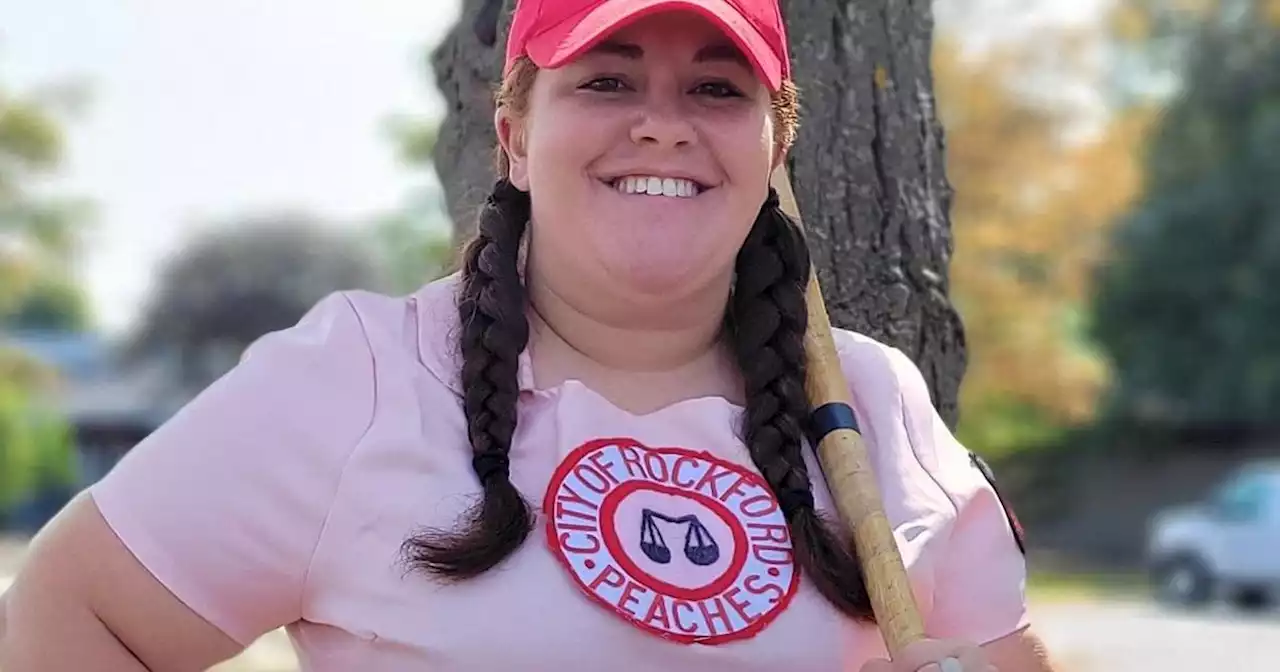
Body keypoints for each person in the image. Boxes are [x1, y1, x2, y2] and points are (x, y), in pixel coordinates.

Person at [0, 0, 1058, 670]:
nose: (661, 122)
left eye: (714, 88)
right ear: (513, 138)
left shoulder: (877, 406)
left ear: (772, 145)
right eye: (606, 79)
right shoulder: (359, 378)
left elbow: (1003, 658)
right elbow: (69, 615)